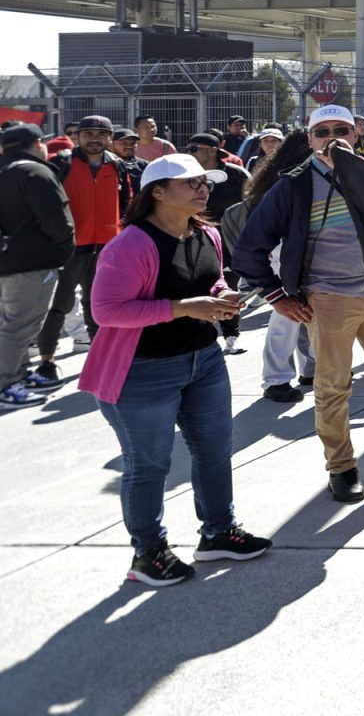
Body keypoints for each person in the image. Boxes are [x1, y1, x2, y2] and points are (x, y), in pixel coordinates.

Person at [232, 105, 364, 503]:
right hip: (328, 300)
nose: (333, 137)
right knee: (333, 387)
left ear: (356, 136)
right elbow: (249, 248)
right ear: (310, 140)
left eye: (342, 130)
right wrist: (277, 297)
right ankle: (342, 468)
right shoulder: (292, 186)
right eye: (323, 131)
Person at [79, 153, 272, 586]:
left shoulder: (206, 232)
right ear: (157, 192)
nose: (202, 189)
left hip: (203, 361)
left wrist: (222, 295)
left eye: (204, 182)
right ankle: (148, 553)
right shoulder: (130, 244)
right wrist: (186, 308)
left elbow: (212, 279)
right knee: (149, 465)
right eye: (190, 183)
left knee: (216, 450)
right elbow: (106, 310)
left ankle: (219, 532)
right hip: (141, 371)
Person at [34, 115, 133, 383]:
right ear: (78, 136)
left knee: (98, 304)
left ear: (110, 138)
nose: (95, 139)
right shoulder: (61, 163)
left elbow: (127, 203)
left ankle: (102, 359)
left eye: (101, 134)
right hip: (71, 247)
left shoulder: (118, 166)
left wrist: (120, 232)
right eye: (88, 133)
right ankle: (46, 361)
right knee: (61, 303)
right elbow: (46, 204)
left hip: (107, 247)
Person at [226, 131, 316, 403]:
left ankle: (310, 369)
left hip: (297, 253)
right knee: (287, 319)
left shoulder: (283, 174)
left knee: (305, 318)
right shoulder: (292, 177)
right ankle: (276, 379)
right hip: (285, 254)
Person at [0, 124, 75, 409]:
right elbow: (57, 222)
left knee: (8, 325)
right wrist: (62, 250)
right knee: (20, 327)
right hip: (30, 263)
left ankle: (18, 375)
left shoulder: (5, 170)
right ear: (37, 143)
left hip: (7, 261)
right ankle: (8, 385)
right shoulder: (35, 171)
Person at [185, 133, 252, 355]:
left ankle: (231, 336)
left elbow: (253, 205)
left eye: (194, 149)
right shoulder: (185, 175)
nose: (190, 153)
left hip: (230, 241)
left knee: (228, 287)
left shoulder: (237, 175)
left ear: (212, 150)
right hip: (193, 239)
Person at [110, 127, 146, 192]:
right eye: (124, 143)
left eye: (132, 143)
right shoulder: (105, 164)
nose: (129, 146)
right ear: (111, 145)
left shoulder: (143, 165)